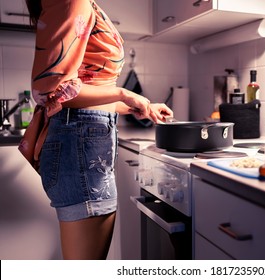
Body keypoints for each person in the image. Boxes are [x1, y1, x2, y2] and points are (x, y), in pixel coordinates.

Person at [24, 0, 173, 259]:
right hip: (81, 142)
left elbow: (81, 88)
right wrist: (125, 94)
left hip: (84, 140)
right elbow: (52, 90)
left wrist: (140, 105)